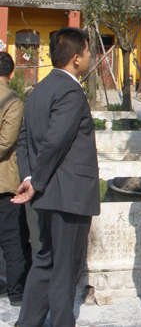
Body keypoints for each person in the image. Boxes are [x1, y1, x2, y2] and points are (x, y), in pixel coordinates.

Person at [12, 27, 99, 327]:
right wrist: (35, 182)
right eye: (88, 52)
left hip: (48, 193)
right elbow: (55, 141)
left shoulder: (39, 90)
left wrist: (29, 177)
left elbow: (24, 141)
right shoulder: (70, 92)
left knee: (46, 262)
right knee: (65, 269)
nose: (90, 56)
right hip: (69, 195)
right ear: (76, 58)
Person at [0, 51, 32, 307]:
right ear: (11, 74)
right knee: (13, 237)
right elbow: (6, 142)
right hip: (4, 181)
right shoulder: (12, 101)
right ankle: (17, 291)